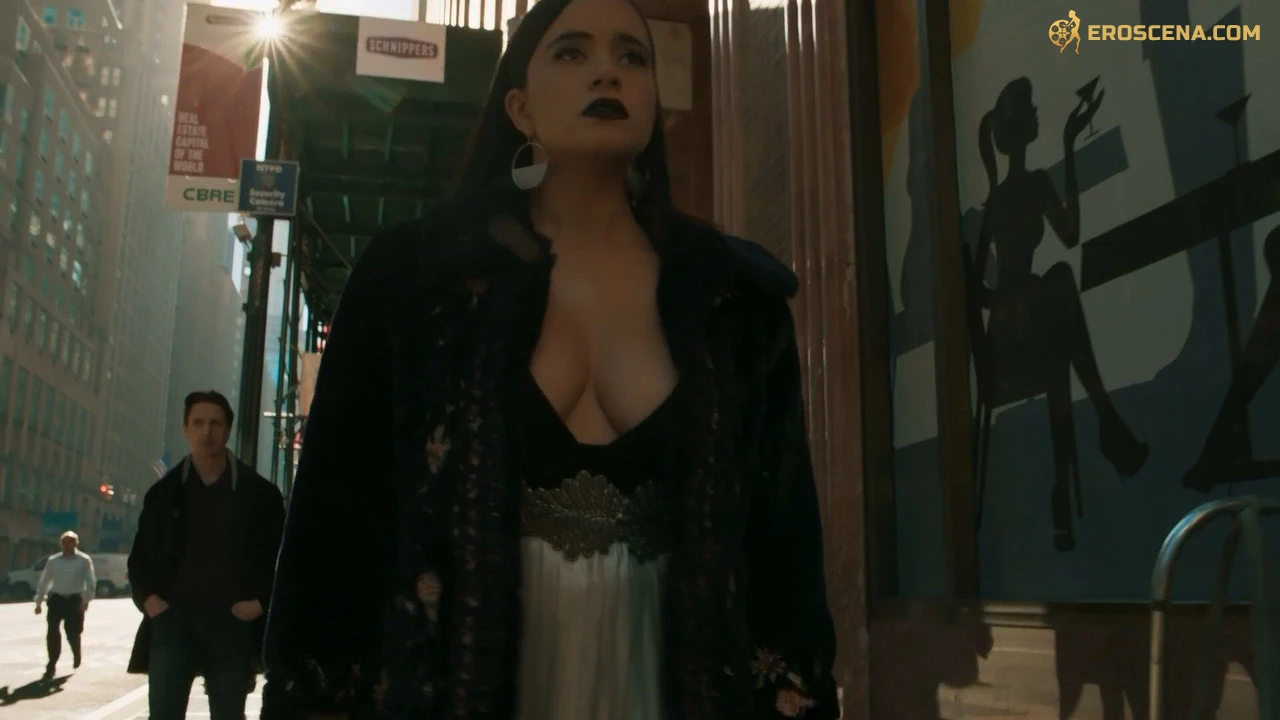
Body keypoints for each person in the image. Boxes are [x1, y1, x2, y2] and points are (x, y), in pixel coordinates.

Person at [262, 0, 839, 716]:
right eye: (572, 52)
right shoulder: (413, 280)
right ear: (519, 107)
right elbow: (334, 531)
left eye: (632, 56)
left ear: (654, 102)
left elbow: (784, 553)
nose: (607, 71)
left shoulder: (735, 301)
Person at [126, 390, 286, 720]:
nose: (206, 431)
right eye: (198, 423)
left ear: (228, 429)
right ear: (185, 429)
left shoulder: (260, 494)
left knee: (228, 714)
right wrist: (150, 600)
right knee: (163, 714)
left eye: (215, 423)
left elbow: (279, 557)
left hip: (231, 623)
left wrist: (259, 603)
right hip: (173, 620)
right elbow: (140, 557)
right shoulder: (164, 493)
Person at [34, 530, 96, 679]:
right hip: (57, 599)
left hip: (75, 600)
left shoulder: (84, 560)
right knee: (52, 632)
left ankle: (76, 653)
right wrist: (39, 602)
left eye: (71, 541)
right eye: (65, 542)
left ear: (76, 543)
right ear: (61, 544)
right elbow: (45, 580)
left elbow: (90, 581)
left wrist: (86, 600)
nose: (68, 544)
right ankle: (51, 664)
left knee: (73, 632)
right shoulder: (53, 560)